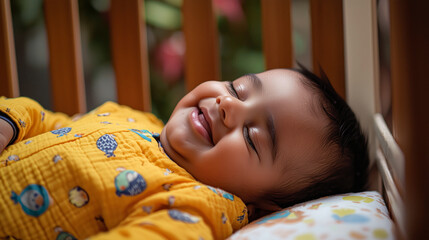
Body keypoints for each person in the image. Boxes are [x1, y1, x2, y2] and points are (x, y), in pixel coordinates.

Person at [0, 66, 369, 240]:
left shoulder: (193, 208)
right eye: (238, 89)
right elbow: (51, 121)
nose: (228, 105)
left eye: (254, 137)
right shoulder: (134, 117)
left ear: (266, 206)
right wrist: (11, 120)